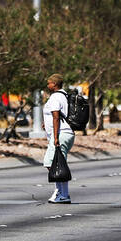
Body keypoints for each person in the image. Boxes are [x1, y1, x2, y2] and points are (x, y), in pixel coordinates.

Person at [42, 73, 75, 204]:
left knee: (50, 163)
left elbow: (56, 116)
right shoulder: (64, 96)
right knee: (58, 163)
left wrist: (55, 137)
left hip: (61, 134)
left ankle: (62, 192)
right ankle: (61, 192)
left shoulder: (56, 97)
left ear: (54, 84)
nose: (47, 85)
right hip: (66, 133)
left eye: (49, 83)